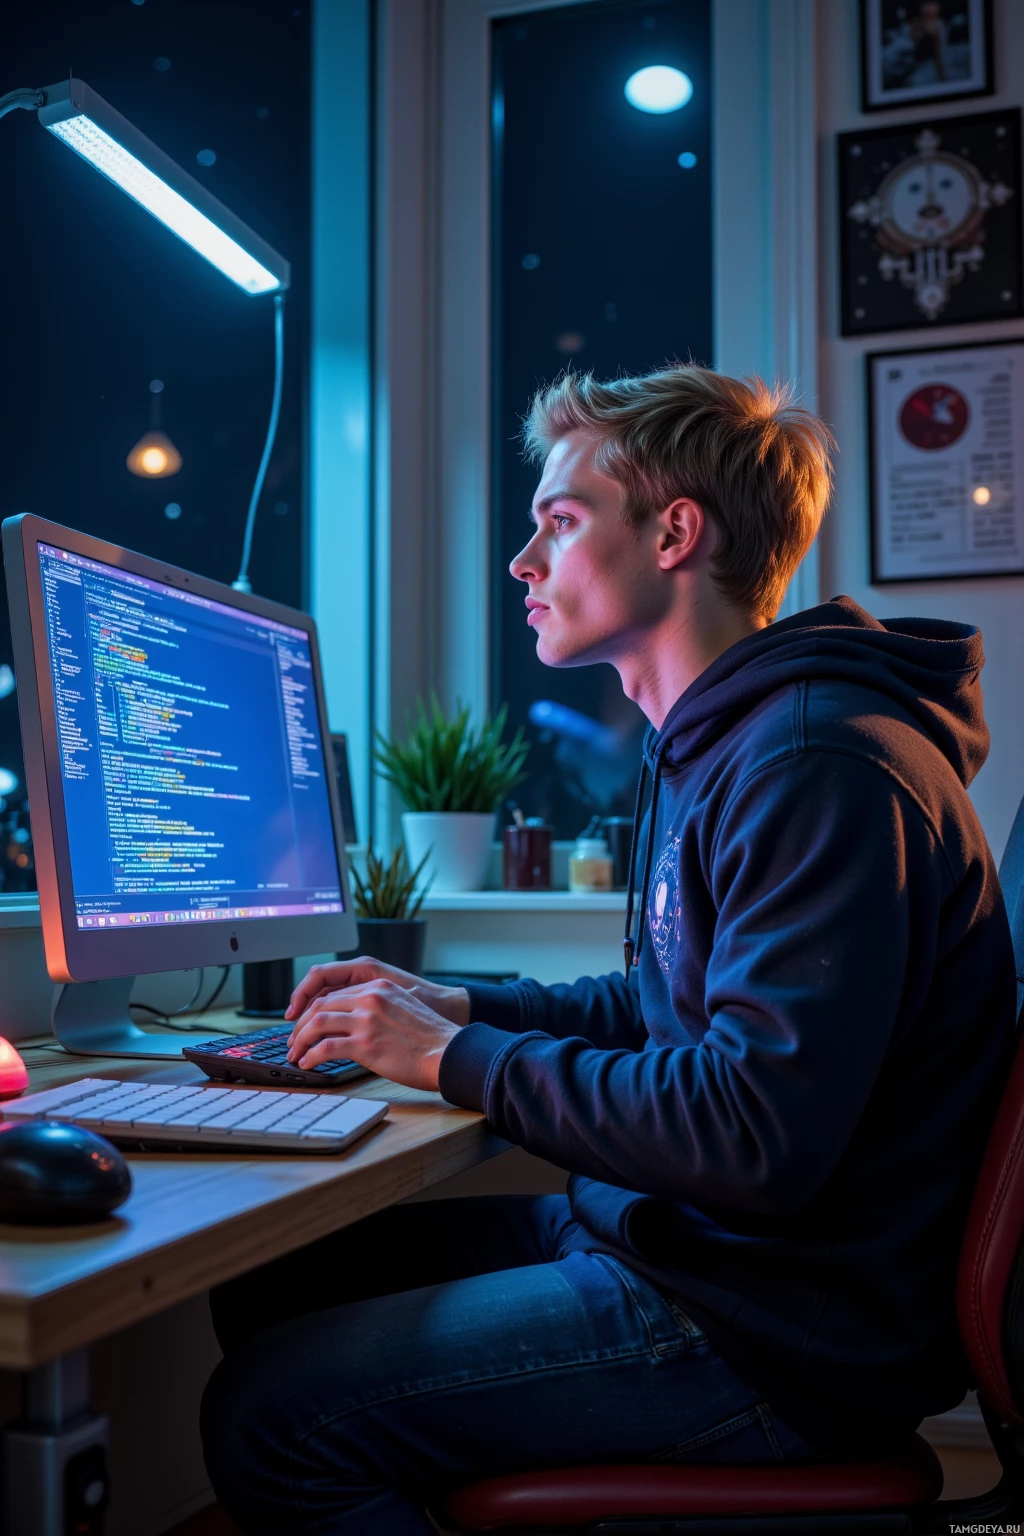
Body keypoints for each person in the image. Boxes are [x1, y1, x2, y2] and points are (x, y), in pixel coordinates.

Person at [201, 366, 1016, 1535]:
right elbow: (662, 1004)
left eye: (560, 521)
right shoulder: (727, 744)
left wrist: (449, 1060)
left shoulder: (816, 767)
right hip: (687, 1246)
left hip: (773, 1327)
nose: (524, 562)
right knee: (277, 1284)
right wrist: (453, 1007)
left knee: (267, 1417)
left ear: (675, 533)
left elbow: (751, 1131)